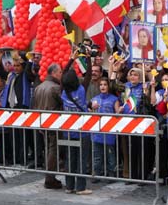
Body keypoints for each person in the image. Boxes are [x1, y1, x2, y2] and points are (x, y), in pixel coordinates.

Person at [60, 65, 92, 195]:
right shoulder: (81, 90)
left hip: (68, 130)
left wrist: (71, 59)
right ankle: (80, 187)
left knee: (70, 158)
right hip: (82, 129)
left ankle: (69, 186)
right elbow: (88, 75)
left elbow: (63, 76)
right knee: (81, 159)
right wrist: (88, 58)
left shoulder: (63, 92)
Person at [32, 63, 64, 189]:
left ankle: (50, 176)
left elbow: (34, 106)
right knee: (53, 149)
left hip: (43, 122)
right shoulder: (55, 88)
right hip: (53, 122)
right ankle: (50, 178)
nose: (61, 74)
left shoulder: (39, 87)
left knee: (49, 149)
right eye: (60, 72)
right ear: (54, 73)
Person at [90, 77, 121, 180]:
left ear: (108, 86)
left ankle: (111, 174)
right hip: (97, 131)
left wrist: (120, 110)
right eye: (101, 85)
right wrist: (90, 109)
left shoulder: (114, 99)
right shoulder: (94, 99)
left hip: (109, 132)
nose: (102, 86)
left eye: (105, 85)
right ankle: (96, 174)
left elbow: (117, 113)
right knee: (96, 155)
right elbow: (89, 113)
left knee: (110, 155)